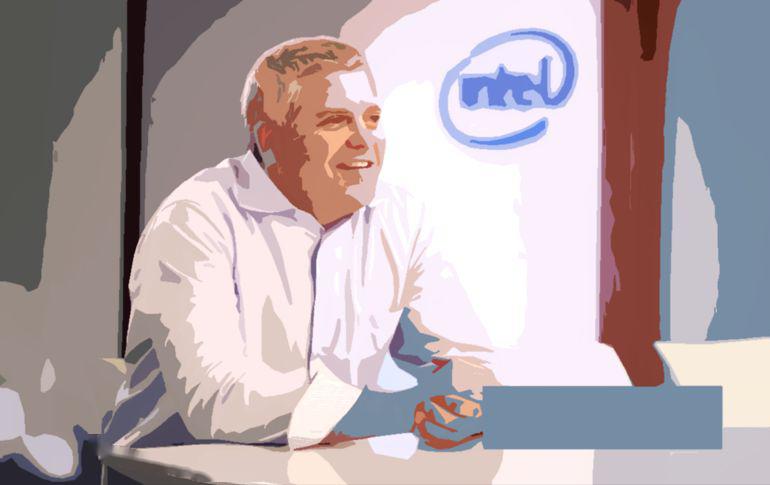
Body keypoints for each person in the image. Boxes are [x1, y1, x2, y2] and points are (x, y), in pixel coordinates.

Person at [101, 37, 506, 451]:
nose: (364, 140)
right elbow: (217, 404)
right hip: (169, 468)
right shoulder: (194, 218)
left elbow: (463, 357)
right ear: (268, 138)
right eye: (334, 121)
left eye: (372, 118)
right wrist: (405, 412)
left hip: (314, 469)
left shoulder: (401, 218)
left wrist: (470, 401)